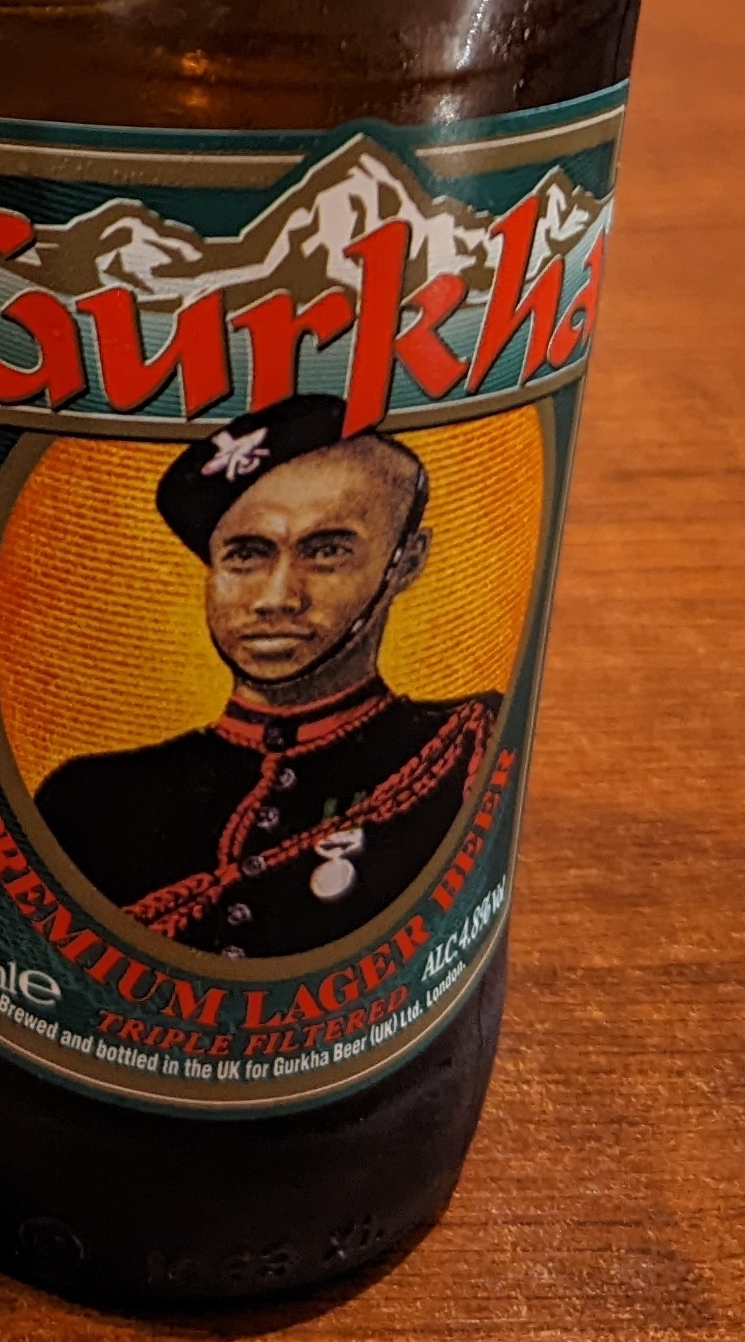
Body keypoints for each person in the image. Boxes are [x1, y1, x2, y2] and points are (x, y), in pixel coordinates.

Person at [30, 392, 497, 959]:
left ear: (408, 561)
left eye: (326, 551)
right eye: (246, 555)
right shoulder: (88, 800)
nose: (277, 598)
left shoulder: (464, 748)